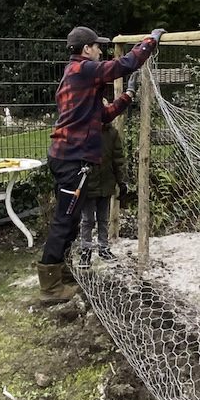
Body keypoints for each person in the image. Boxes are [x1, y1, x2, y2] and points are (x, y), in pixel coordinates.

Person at [37, 26, 162, 301]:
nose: (100, 51)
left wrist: (127, 97)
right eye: (97, 47)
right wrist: (150, 41)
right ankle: (49, 287)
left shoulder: (76, 75)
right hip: (71, 159)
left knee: (68, 220)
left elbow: (101, 116)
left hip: (68, 156)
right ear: (86, 50)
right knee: (64, 222)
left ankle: (61, 272)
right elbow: (126, 63)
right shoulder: (84, 70)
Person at [76, 97, 131, 267]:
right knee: (87, 220)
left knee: (103, 218)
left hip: (106, 182)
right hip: (88, 184)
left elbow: (118, 159)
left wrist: (121, 182)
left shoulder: (112, 134)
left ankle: (103, 247)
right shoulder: (83, 132)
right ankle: (85, 250)